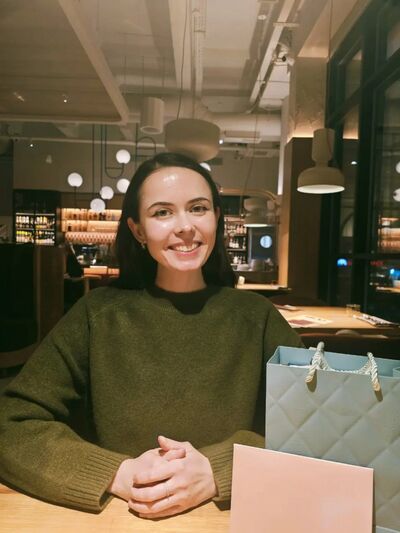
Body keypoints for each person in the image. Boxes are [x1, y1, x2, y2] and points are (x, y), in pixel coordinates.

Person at [0, 152, 302, 519]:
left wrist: (220, 468)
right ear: (138, 230)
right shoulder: (98, 316)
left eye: (198, 208)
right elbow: (11, 424)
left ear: (217, 217)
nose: (185, 226)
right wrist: (118, 473)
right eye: (162, 212)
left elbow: (315, 426)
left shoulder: (257, 317)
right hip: (118, 521)